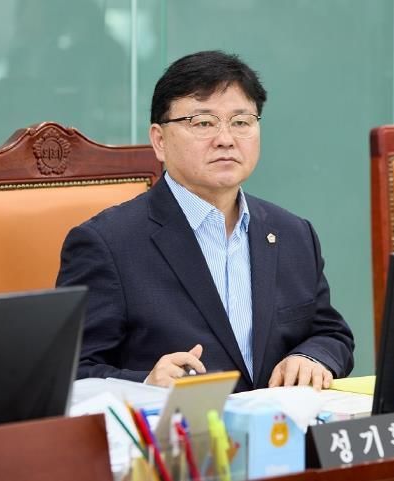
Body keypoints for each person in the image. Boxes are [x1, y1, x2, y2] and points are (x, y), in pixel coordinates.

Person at [57, 50, 354, 392]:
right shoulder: (107, 244)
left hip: (280, 423)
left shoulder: (292, 233)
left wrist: (311, 357)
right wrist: (146, 384)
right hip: (175, 425)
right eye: (203, 123)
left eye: (241, 122)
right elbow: (71, 373)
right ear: (159, 141)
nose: (226, 139)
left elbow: (330, 333)